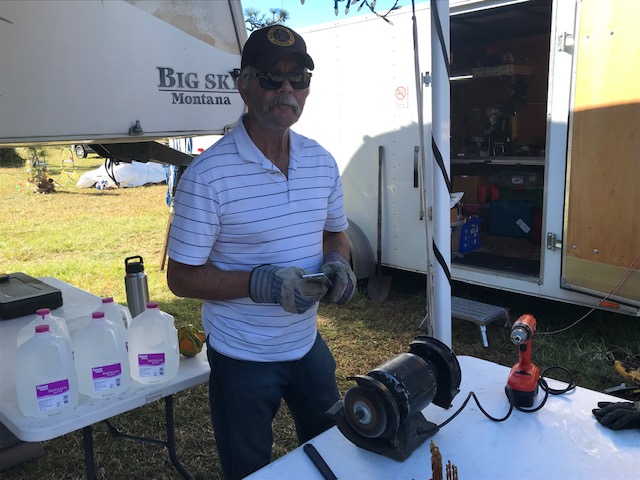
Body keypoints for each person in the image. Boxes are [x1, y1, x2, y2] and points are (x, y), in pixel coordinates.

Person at [166, 25, 357, 480]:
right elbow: (181, 277)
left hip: (307, 345)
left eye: (299, 77)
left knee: (334, 453)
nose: (287, 89)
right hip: (242, 357)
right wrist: (259, 283)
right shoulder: (208, 175)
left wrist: (338, 262)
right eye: (272, 77)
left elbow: (335, 234)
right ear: (244, 85)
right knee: (249, 470)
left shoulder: (321, 161)